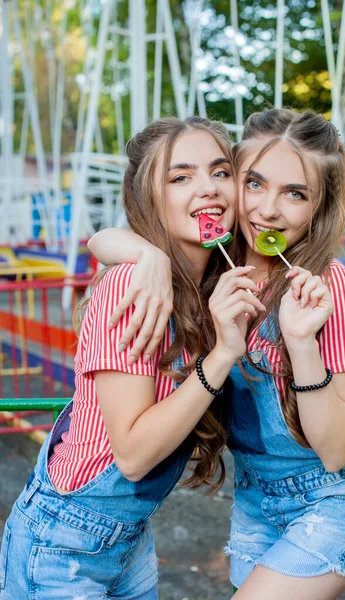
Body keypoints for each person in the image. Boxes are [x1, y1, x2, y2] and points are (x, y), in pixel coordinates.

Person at [88, 108, 345, 600]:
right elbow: (101, 239)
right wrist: (150, 256)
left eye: (296, 194)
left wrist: (306, 351)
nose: (267, 210)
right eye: (254, 183)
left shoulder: (326, 286)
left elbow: (337, 449)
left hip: (337, 497)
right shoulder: (210, 271)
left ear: (319, 206)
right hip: (256, 496)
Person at [0, 116, 268, 599]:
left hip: (128, 540)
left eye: (221, 172)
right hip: (66, 546)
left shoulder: (207, 287)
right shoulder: (133, 284)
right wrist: (224, 352)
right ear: (149, 198)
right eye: (180, 177)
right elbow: (133, 455)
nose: (208, 190)